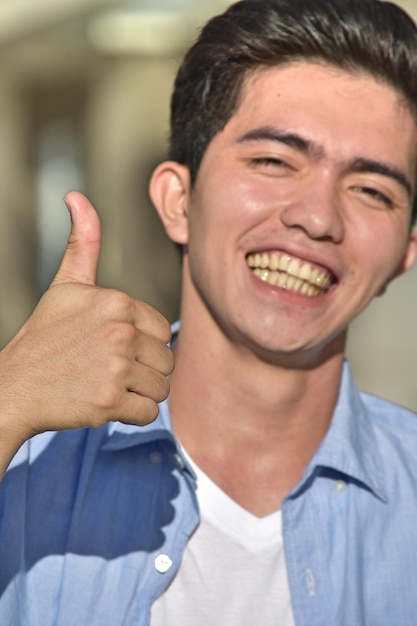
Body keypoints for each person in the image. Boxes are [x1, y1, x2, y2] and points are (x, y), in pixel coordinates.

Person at [1, 0, 417, 623]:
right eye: (273, 161)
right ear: (177, 200)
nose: (318, 218)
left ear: (405, 253)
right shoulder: (25, 463)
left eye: (371, 189)